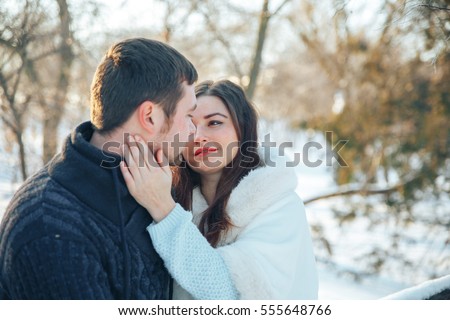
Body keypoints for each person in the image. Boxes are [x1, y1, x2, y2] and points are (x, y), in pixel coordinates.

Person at [0, 38, 198, 299]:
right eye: (188, 116)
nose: (193, 130)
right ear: (150, 116)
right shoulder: (50, 229)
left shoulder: (151, 184)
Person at [121, 80, 319, 299]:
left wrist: (163, 209)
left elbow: (232, 294)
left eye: (214, 123)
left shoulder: (280, 204)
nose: (198, 137)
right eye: (190, 125)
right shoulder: (173, 196)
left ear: (242, 131)